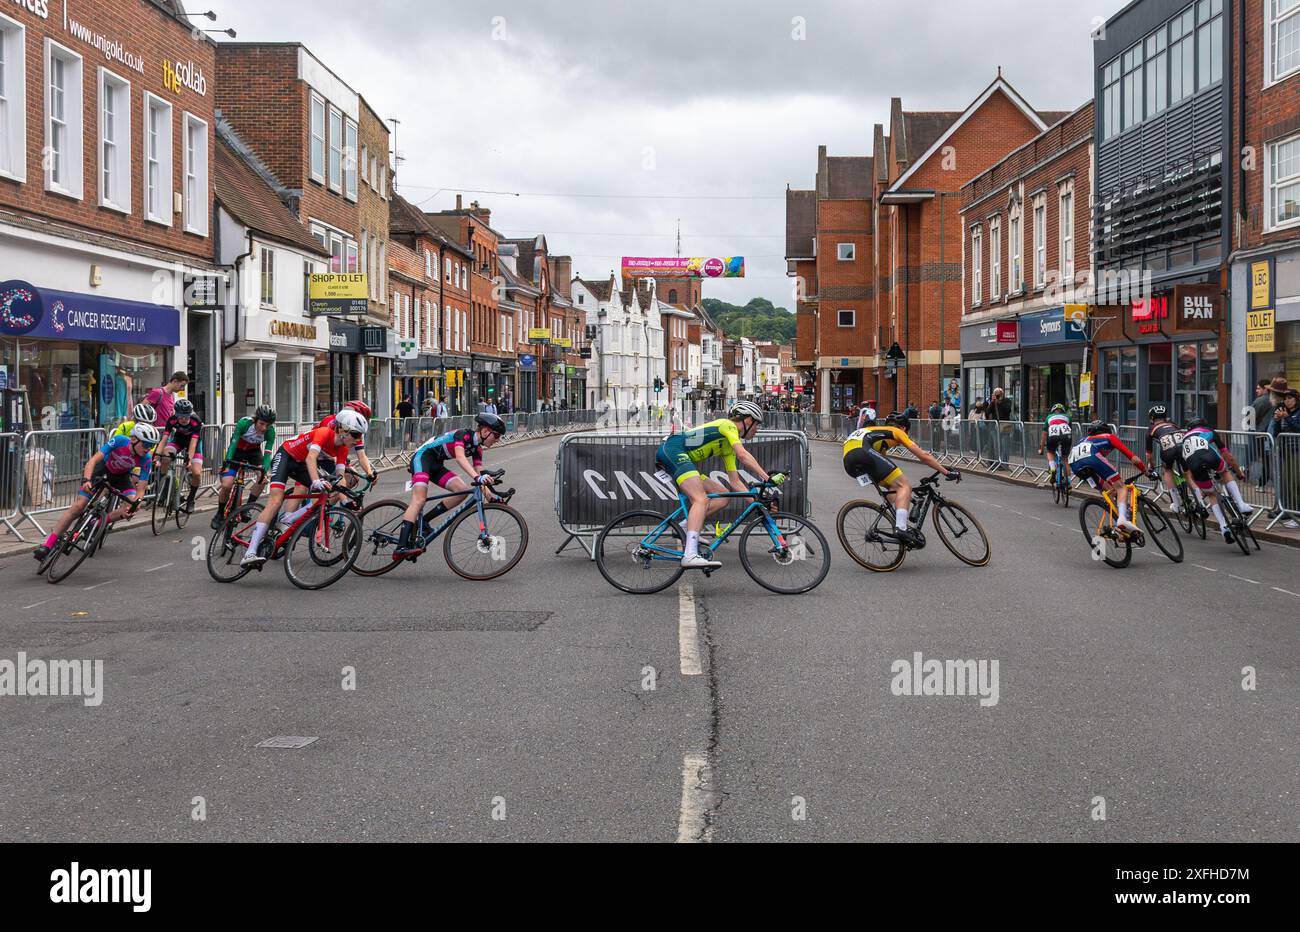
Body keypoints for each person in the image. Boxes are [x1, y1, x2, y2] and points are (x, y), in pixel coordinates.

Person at [655, 401, 777, 569]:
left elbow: (735, 483)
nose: (757, 430)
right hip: (673, 450)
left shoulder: (728, 447)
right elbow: (743, 455)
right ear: (748, 420)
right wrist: (766, 478)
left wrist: (757, 503)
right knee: (701, 499)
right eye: (757, 425)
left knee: (723, 496)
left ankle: (683, 527)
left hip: (680, 456)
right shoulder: (728, 426)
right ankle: (689, 554)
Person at [240, 409, 368, 568]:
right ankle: (250, 552)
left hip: (300, 464)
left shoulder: (342, 449)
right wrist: (315, 481)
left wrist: (346, 502)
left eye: (361, 436)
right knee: (276, 500)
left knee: (328, 493)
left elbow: (339, 478)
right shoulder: (324, 433)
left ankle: (288, 519)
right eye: (356, 435)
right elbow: (311, 457)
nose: (358, 440)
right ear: (343, 430)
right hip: (286, 456)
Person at [33, 423, 159, 561]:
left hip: (121, 478)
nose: (148, 449)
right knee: (78, 507)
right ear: (134, 439)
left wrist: (136, 503)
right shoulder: (120, 441)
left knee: (130, 508)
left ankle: (96, 524)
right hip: (102, 471)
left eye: (151, 445)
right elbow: (93, 460)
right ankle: (48, 545)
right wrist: (86, 479)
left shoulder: (146, 459)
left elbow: (141, 489)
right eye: (146, 444)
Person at [391, 412, 506, 560]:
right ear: (485, 431)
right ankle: (400, 547)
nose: (498, 440)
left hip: (436, 464)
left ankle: (424, 520)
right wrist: (477, 476)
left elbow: (479, 475)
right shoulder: (463, 435)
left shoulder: (477, 449)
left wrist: (491, 496)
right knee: (419, 500)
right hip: (422, 458)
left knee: (462, 490)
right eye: (496, 436)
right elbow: (460, 457)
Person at [842, 411, 960, 548]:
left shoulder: (876, 433)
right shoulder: (896, 431)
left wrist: (912, 500)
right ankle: (901, 528)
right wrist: (946, 472)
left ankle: (900, 522)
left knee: (895, 488)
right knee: (905, 485)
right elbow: (923, 456)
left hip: (848, 461)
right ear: (903, 428)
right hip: (863, 453)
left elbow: (887, 475)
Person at [1067, 420, 1148, 534]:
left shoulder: (1082, 440)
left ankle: (1118, 527)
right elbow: (1133, 458)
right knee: (1121, 487)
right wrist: (1145, 471)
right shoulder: (1109, 437)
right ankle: (1122, 520)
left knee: (1110, 490)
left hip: (1075, 465)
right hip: (1091, 457)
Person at [1181, 416, 1253, 543]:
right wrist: (1239, 473)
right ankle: (1241, 505)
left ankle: (1223, 526)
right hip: (1209, 457)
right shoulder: (1208, 431)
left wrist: (1200, 491)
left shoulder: (1184, 440)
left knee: (1212, 494)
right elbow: (1228, 457)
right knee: (1225, 472)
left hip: (1194, 465)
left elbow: (1189, 473)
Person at [211, 405, 277, 530]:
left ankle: (248, 507)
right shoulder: (244, 423)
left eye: (267, 425)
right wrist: (226, 464)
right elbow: (233, 444)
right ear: (255, 419)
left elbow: (267, 455)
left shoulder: (270, 432)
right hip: (237, 452)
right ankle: (219, 513)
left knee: (262, 479)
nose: (264, 428)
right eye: (262, 424)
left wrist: (263, 471)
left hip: (254, 453)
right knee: (226, 485)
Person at [155, 397, 204, 513]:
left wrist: (189, 459)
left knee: (196, 473)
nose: (183, 419)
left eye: (186, 416)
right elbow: (164, 439)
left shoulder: (196, 421)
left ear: (190, 413)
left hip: (194, 444)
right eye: (180, 416)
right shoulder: (172, 420)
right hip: (179, 441)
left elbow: (193, 443)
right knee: (166, 455)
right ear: (176, 414)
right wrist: (157, 456)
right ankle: (165, 487)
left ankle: (191, 499)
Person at [1267, 388, 1300, 528]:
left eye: (1290, 398)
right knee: (1287, 483)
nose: (1287, 401)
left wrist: (1286, 417)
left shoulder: (1297, 413)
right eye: (1285, 398)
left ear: (1296, 399)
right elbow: (1276, 432)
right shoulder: (1286, 412)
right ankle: (1291, 512)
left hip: (1297, 451)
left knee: (1295, 483)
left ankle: (1296, 515)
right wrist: (1277, 420)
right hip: (1286, 451)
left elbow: (1298, 428)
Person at [1144, 404, 1186, 513]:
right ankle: (1197, 499)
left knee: (1166, 470)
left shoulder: (1151, 429)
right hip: (1183, 448)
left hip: (1168, 451)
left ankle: (1176, 504)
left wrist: (1151, 465)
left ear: (1152, 418)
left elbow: (1148, 454)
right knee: (1188, 472)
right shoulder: (1174, 424)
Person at [1039, 403, 1074, 483]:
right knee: (1065, 459)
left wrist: (1041, 449)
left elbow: (1044, 434)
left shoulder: (1049, 417)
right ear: (1063, 411)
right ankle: (1068, 483)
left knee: (1050, 452)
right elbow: (1070, 431)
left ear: (1053, 411)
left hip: (1053, 436)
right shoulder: (1068, 416)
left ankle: (1052, 468)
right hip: (1066, 436)